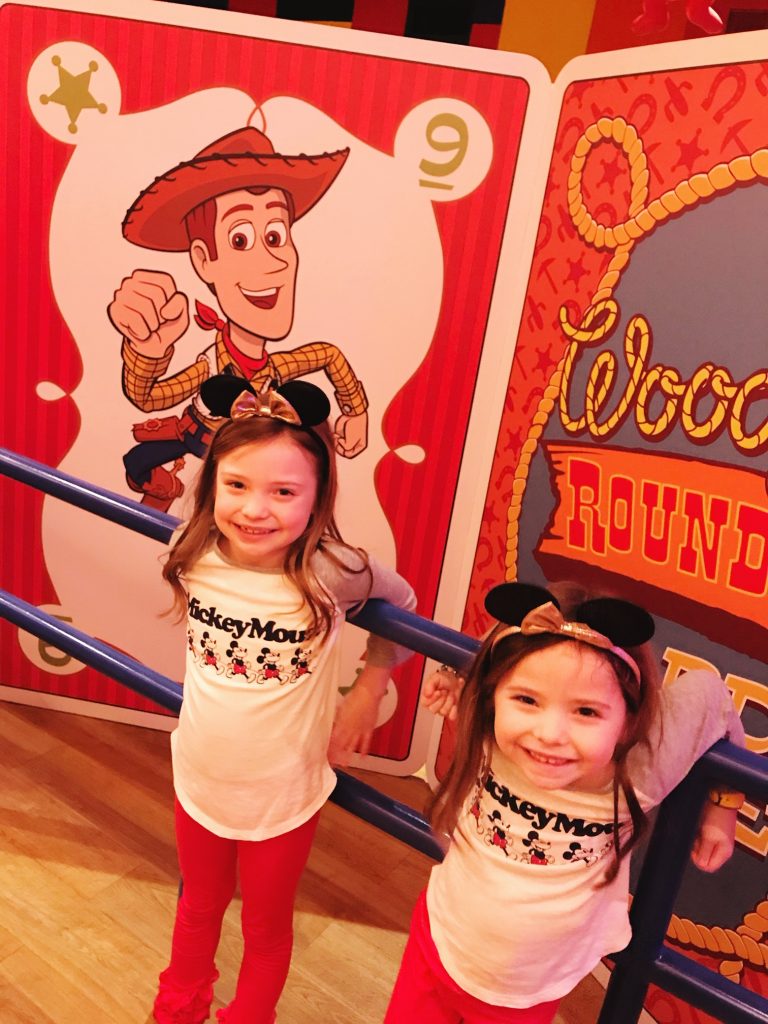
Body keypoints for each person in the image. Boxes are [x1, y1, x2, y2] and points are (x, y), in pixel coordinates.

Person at [153, 372, 415, 1024]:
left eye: (283, 492)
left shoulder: (331, 570)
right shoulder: (191, 549)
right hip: (199, 777)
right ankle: (178, 1007)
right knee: (197, 905)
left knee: (265, 927)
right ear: (212, 483)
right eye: (236, 485)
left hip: (283, 794)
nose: (255, 509)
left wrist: (370, 686)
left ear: (318, 495)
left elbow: (403, 601)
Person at [385, 581, 745, 1024]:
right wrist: (461, 680)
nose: (550, 734)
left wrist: (723, 805)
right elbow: (496, 660)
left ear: (628, 719)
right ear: (493, 697)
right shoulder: (493, 732)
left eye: (586, 712)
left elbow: (710, 695)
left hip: (527, 994)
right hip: (435, 940)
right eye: (527, 700)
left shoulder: (639, 772)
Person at [108, 123, 369, 511]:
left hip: (251, 486)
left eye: (276, 236)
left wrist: (356, 410)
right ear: (203, 260)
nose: (274, 261)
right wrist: (147, 351)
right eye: (240, 240)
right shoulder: (208, 368)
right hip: (197, 445)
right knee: (140, 465)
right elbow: (147, 397)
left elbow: (328, 355)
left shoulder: (279, 367)